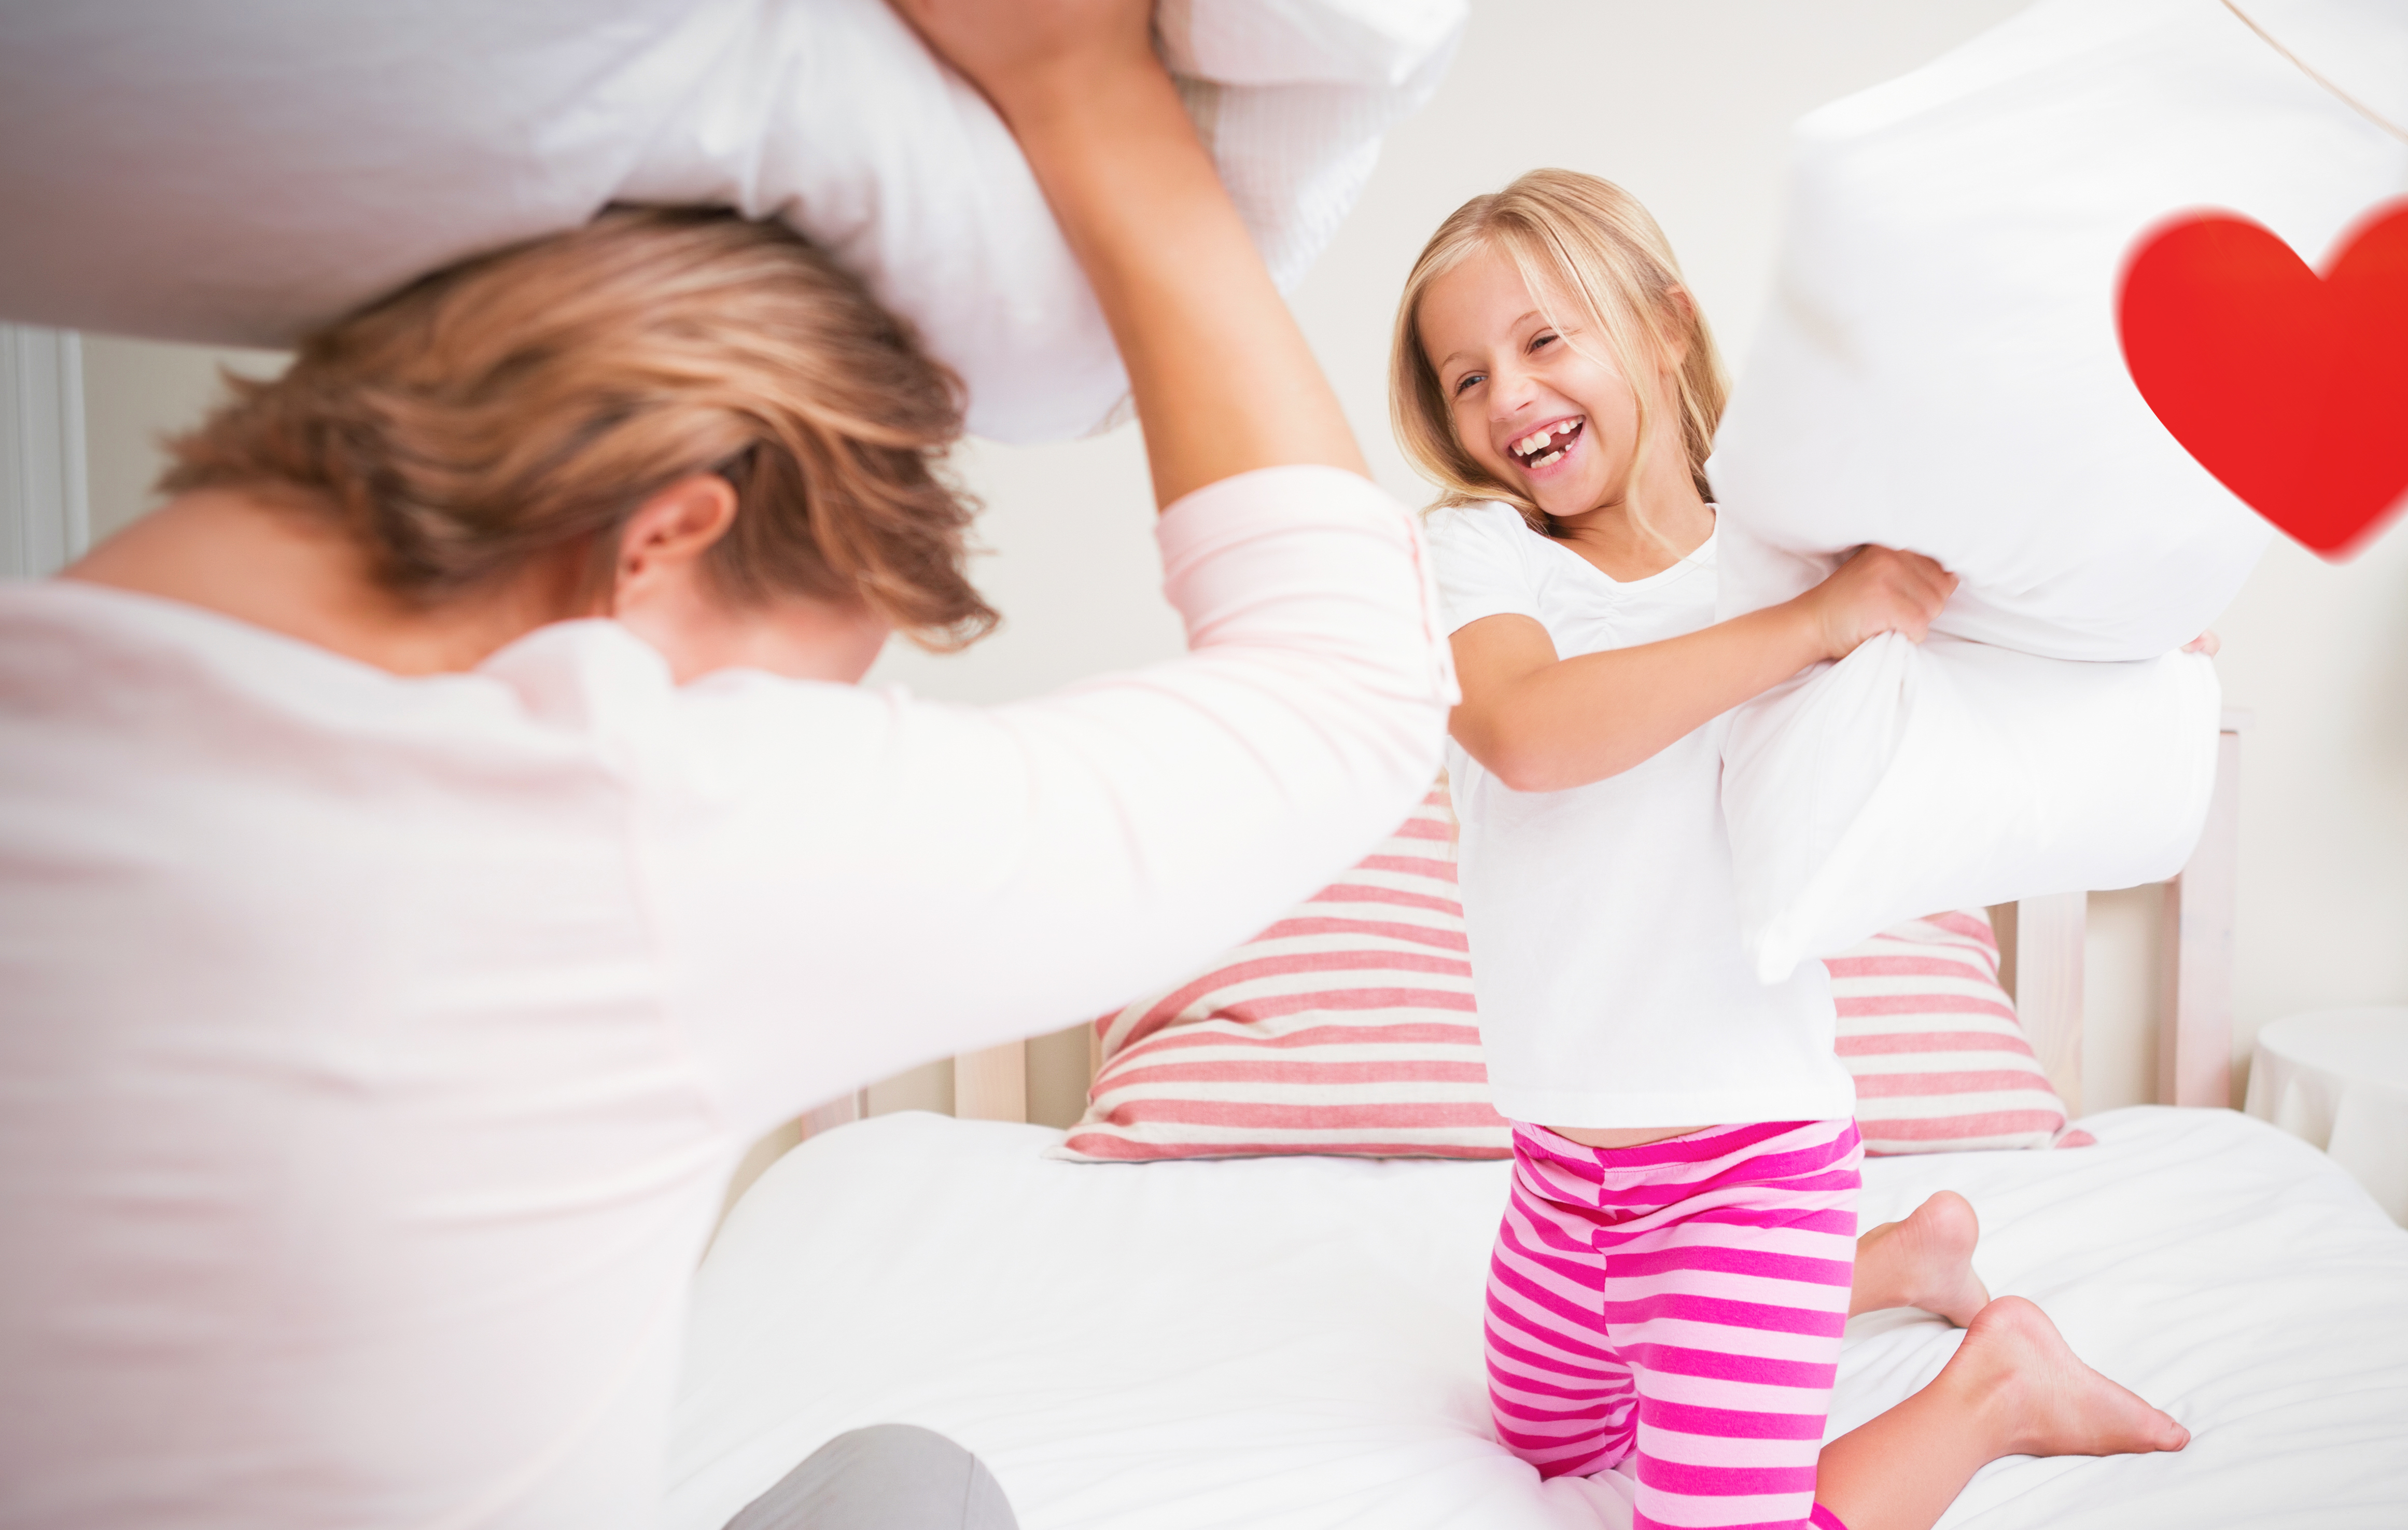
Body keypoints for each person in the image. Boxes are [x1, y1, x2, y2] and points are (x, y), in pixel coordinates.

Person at [0, 1, 1450, 1524]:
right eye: (787, 702)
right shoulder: (602, 821)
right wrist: (1089, 88)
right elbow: (1352, 689)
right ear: (668, 538)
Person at [1394, 168, 2192, 1530]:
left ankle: (1996, 1383)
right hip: (1556, 1181)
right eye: (1464, 377)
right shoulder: (1484, 556)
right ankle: (1905, 1261)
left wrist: (2139, 657)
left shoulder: (1784, 559)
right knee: (1547, 1447)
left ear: (1660, 323)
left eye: (1544, 340)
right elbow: (1526, 734)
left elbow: (2009, 649)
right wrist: (1818, 625)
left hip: (1744, 1167)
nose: (1507, 397)